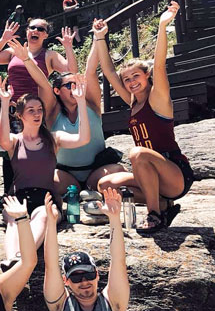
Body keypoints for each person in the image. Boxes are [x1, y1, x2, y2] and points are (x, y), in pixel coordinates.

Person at [94, 3, 195, 233]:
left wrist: (163, 25)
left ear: (146, 76)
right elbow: (110, 72)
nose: (131, 82)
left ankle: (154, 214)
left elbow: (159, 65)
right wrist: (100, 38)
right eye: (127, 79)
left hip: (175, 174)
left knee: (137, 153)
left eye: (136, 76)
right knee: (105, 184)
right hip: (148, 173)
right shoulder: (133, 101)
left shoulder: (157, 98)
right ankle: (163, 204)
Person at [0, 58, 90, 265]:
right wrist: (4, 104)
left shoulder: (53, 138)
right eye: (31, 110)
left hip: (46, 198)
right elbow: (1, 138)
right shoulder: (14, 141)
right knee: (14, 219)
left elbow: (83, 139)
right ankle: (11, 259)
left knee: (44, 216)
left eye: (39, 110)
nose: (37, 114)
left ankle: (22, 258)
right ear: (20, 115)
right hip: (18, 198)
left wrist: (81, 102)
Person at [8, 33, 126, 195]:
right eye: (69, 85)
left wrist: (98, 38)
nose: (75, 88)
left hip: (96, 170)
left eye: (77, 84)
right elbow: (42, 82)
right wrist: (26, 59)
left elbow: (90, 72)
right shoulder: (52, 111)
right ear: (57, 91)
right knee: (40, 180)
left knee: (118, 172)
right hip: (65, 174)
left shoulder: (91, 104)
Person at [0, 20, 77, 102]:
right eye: (32, 27)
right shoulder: (15, 51)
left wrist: (68, 47)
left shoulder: (50, 55)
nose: (35, 30)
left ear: (46, 35)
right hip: (12, 106)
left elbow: (72, 72)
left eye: (41, 29)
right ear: (27, 31)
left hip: (36, 108)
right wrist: (3, 39)